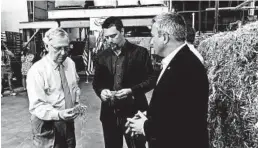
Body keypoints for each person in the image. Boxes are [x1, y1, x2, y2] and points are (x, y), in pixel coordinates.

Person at [126, 12, 209, 148]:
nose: (151, 41)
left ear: (164, 37)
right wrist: (149, 115)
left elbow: (185, 121)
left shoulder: (186, 67)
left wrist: (145, 126)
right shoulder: (179, 62)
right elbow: (175, 105)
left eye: (153, 36)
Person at [92, 17, 156, 148]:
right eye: (107, 37)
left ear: (122, 31)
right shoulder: (101, 56)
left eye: (113, 36)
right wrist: (101, 92)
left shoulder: (140, 53)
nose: (110, 40)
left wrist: (132, 90)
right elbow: (97, 82)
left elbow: (151, 80)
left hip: (135, 114)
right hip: (109, 115)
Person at [26, 28, 81, 148]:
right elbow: (37, 105)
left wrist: (76, 103)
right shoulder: (37, 71)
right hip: (46, 123)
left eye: (66, 48)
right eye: (58, 48)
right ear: (47, 46)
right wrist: (59, 114)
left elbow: (74, 86)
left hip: (67, 120)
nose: (63, 53)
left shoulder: (70, 63)